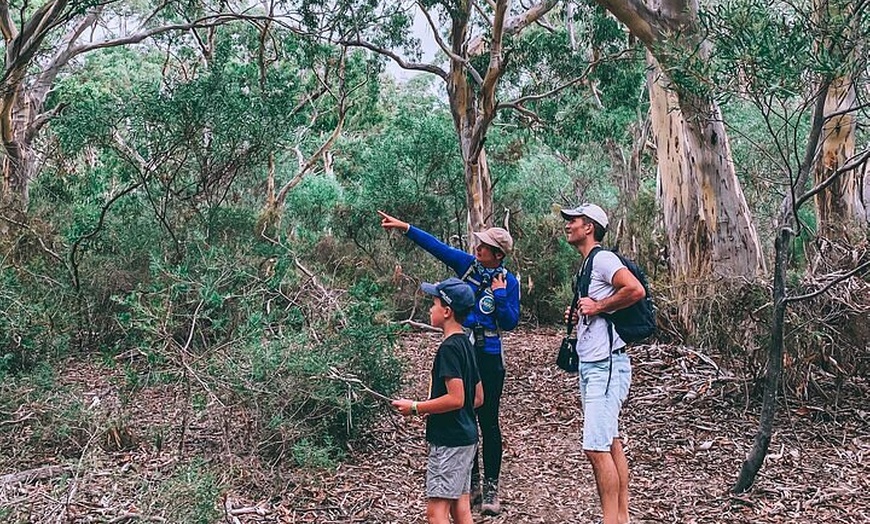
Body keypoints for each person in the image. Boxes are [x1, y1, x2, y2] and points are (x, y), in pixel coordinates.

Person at [378, 210, 520, 515]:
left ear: (497, 255)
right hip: (464, 349)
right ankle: (471, 481)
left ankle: (491, 487)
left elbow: (509, 322)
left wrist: (499, 296)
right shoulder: (466, 267)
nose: (477, 249)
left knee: (488, 419)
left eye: (483, 247)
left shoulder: (508, 282)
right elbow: (437, 247)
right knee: (466, 412)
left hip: (490, 355)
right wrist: (406, 227)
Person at [561, 203, 645, 524]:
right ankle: (620, 517)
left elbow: (634, 290)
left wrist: (598, 306)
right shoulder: (587, 265)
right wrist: (584, 313)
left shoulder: (604, 259)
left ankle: (611, 519)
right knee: (609, 441)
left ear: (590, 227)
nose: (569, 225)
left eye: (574, 220)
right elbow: (599, 307)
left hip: (606, 365)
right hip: (594, 363)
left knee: (595, 447)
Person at [392, 277, 484, 524]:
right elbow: (477, 397)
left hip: (449, 441)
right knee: (460, 507)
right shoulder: (466, 343)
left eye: (433, 304)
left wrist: (415, 407)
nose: (430, 309)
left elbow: (456, 398)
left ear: (447, 311)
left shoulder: (449, 349)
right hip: (466, 437)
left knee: (436, 513)